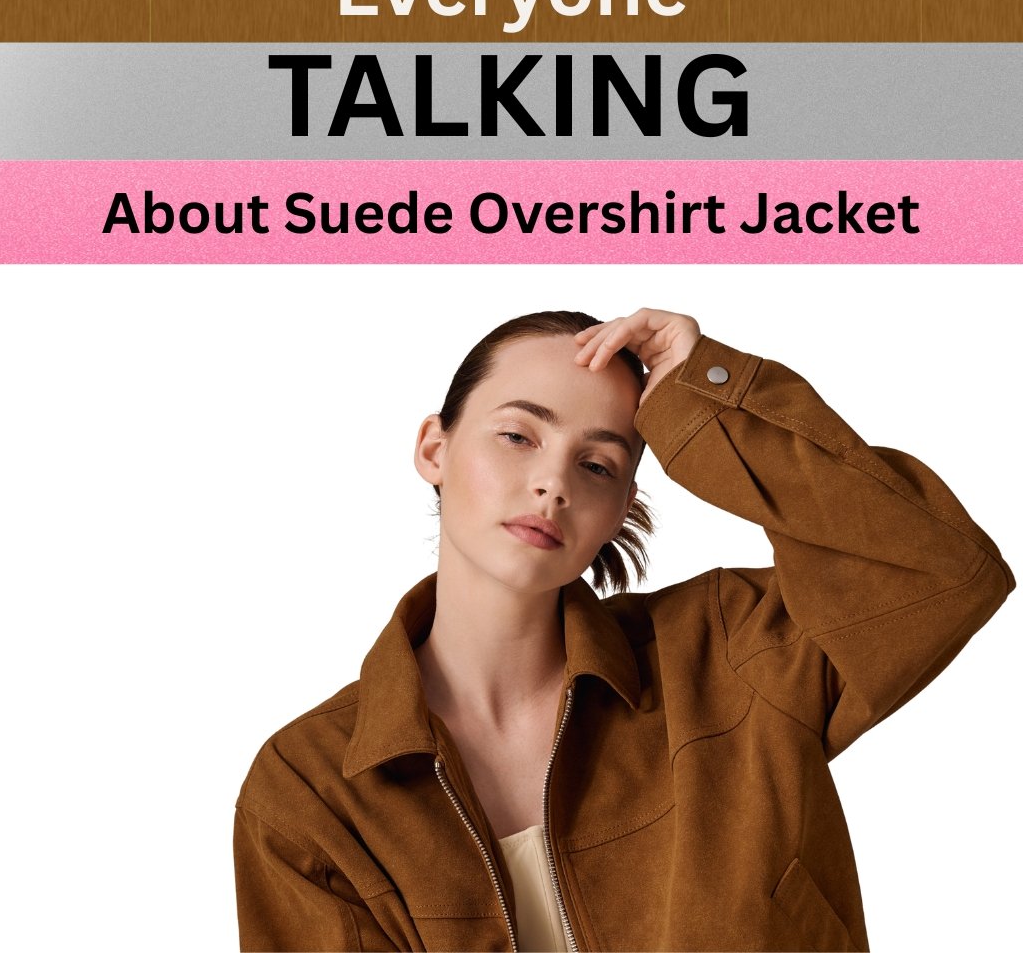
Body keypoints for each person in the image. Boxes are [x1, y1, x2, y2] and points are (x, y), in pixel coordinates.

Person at [233, 308, 1012, 952]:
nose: (553, 483)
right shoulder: (310, 789)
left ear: (620, 510)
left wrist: (702, 392)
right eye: (518, 435)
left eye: (598, 465)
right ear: (435, 448)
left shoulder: (728, 654)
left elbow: (942, 576)